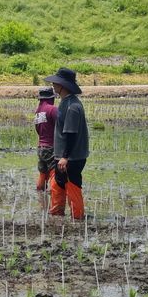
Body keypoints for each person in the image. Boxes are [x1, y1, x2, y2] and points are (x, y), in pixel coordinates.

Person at [44, 68, 89, 220]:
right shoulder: (65, 103)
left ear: (64, 86)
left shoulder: (72, 107)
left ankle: (78, 218)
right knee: (57, 184)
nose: (53, 85)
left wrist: (65, 157)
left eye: (55, 83)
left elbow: (71, 133)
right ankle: (57, 217)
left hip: (72, 157)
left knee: (73, 187)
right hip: (63, 156)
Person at [34, 87, 58, 191]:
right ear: (51, 98)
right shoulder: (52, 109)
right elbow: (61, 126)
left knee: (42, 173)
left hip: (41, 147)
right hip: (51, 147)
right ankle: (53, 196)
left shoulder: (38, 112)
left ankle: (41, 200)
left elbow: (37, 129)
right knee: (54, 173)